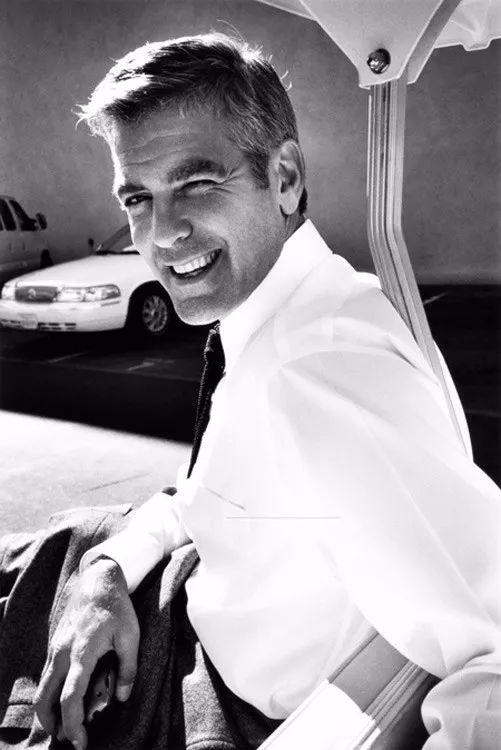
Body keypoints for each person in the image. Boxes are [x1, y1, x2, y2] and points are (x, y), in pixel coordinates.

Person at [1, 32, 500, 750]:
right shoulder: (274, 318)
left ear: (284, 177)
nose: (162, 233)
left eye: (197, 184)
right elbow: (205, 496)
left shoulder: (322, 368)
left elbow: (490, 645)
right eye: (137, 197)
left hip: (193, 696)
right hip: (167, 595)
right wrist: (108, 568)